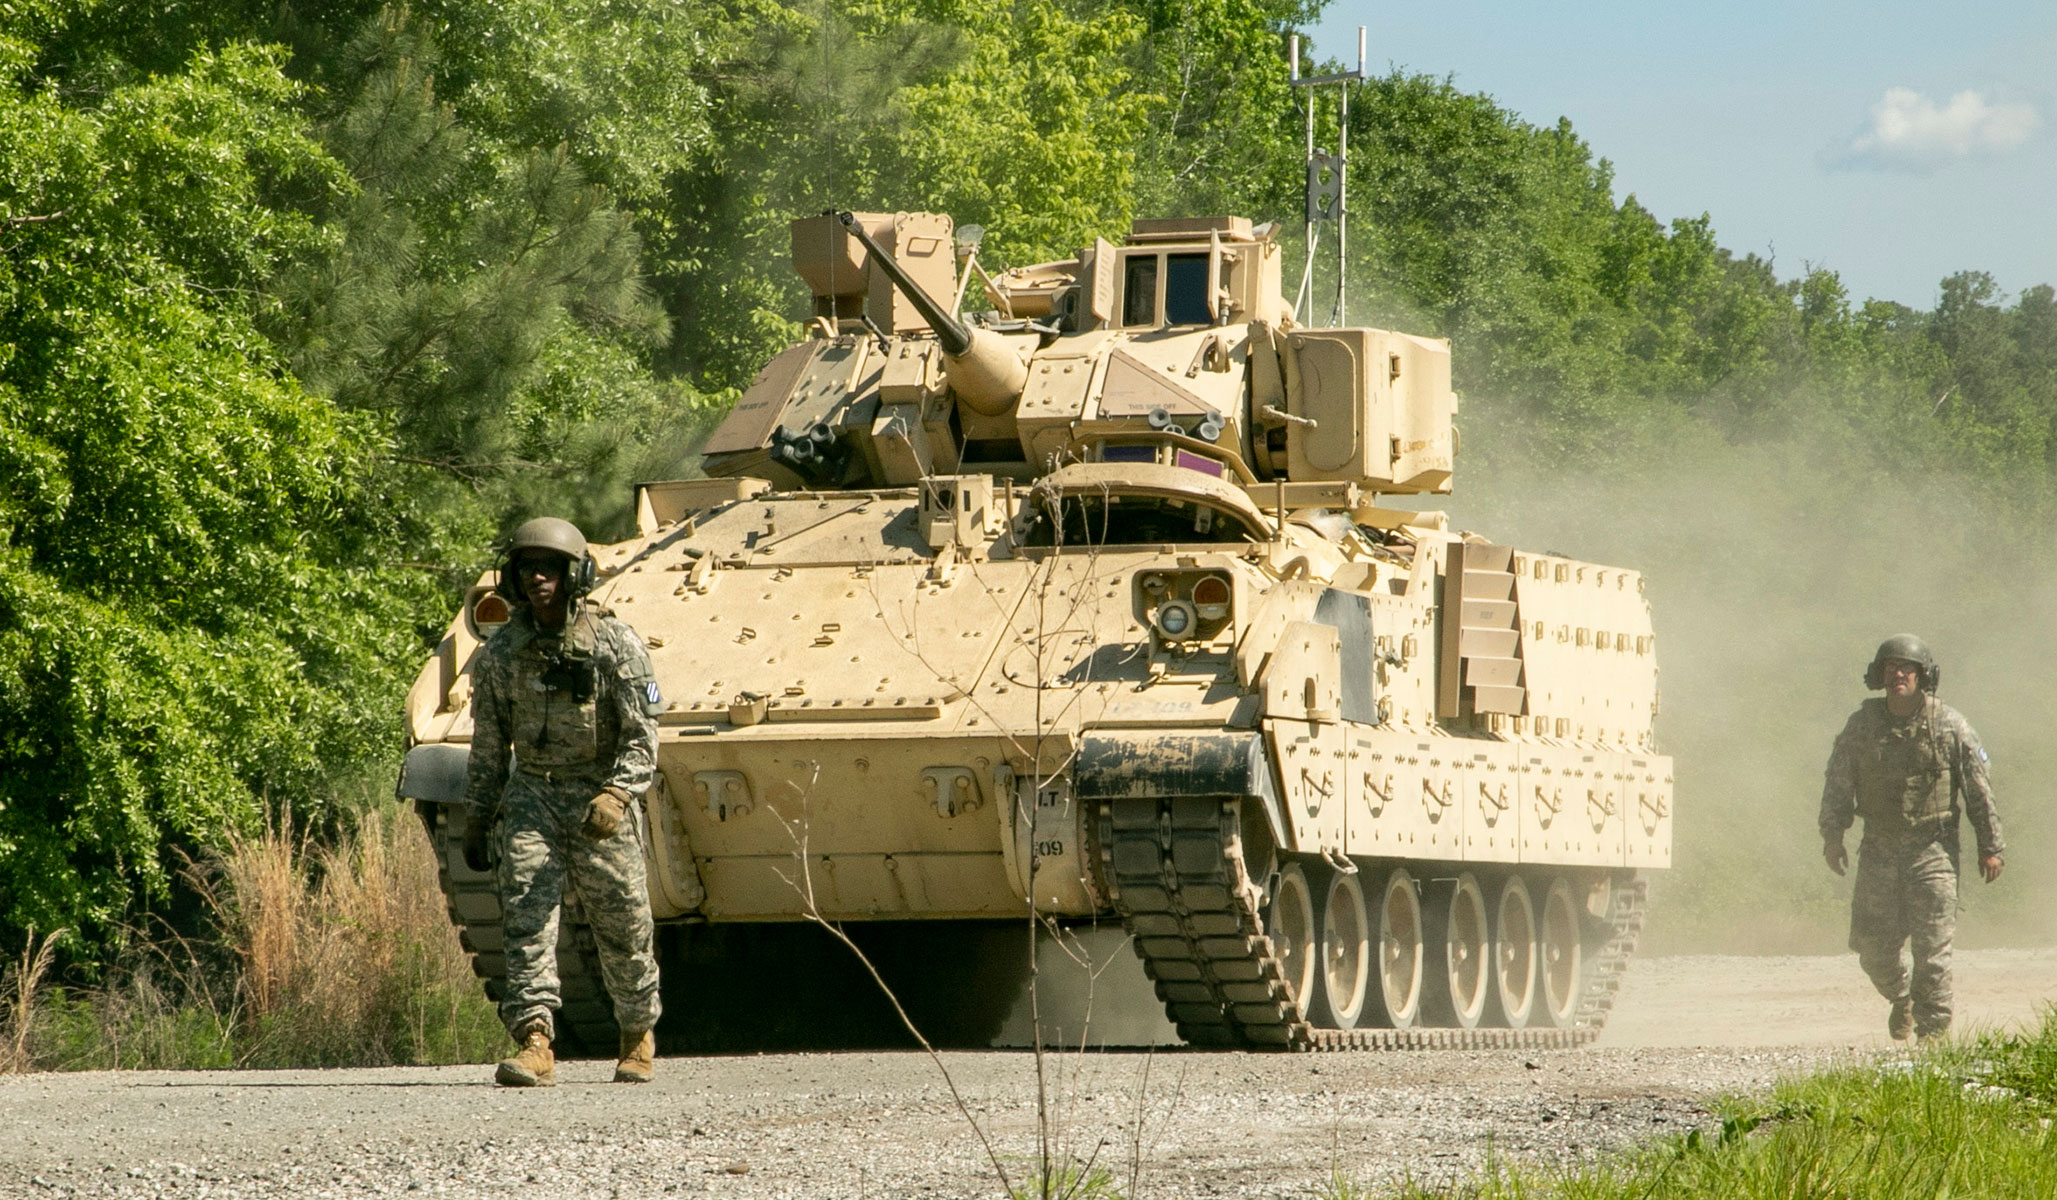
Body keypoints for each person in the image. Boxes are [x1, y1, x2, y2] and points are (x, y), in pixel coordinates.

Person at [461, 517, 666, 1086]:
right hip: (533, 795)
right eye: (528, 569)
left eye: (550, 568)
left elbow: (642, 734)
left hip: (598, 797)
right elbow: (488, 744)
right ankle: (535, 1040)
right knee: (526, 916)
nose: (538, 579)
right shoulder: (503, 653)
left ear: (575, 574)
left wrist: (618, 792)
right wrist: (478, 815)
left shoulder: (614, 644)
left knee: (623, 923)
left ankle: (636, 1033)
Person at [1819, 634, 2003, 1043]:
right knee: (1872, 950)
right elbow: (1838, 782)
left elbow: (1978, 789)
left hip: (1932, 849)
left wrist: (1991, 846)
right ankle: (1901, 997)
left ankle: (1933, 1036)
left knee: (1932, 951)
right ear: (1879, 675)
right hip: (1879, 848)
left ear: (1923, 676)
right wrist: (1833, 836)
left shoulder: (1950, 725)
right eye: (1891, 667)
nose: (1898, 674)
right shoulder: (1862, 726)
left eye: (1907, 668)